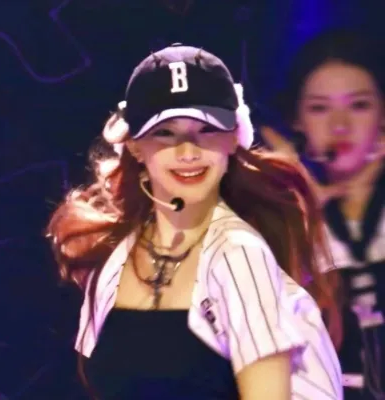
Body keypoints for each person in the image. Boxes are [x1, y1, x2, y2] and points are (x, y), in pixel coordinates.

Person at [47, 43, 342, 399]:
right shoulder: (114, 262)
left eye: (206, 129)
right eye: (165, 132)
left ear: (233, 138)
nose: (188, 150)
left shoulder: (240, 254)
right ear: (135, 146)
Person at [263, 29, 385, 399]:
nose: (340, 126)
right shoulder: (281, 220)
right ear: (296, 120)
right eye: (319, 108)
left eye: (359, 105)